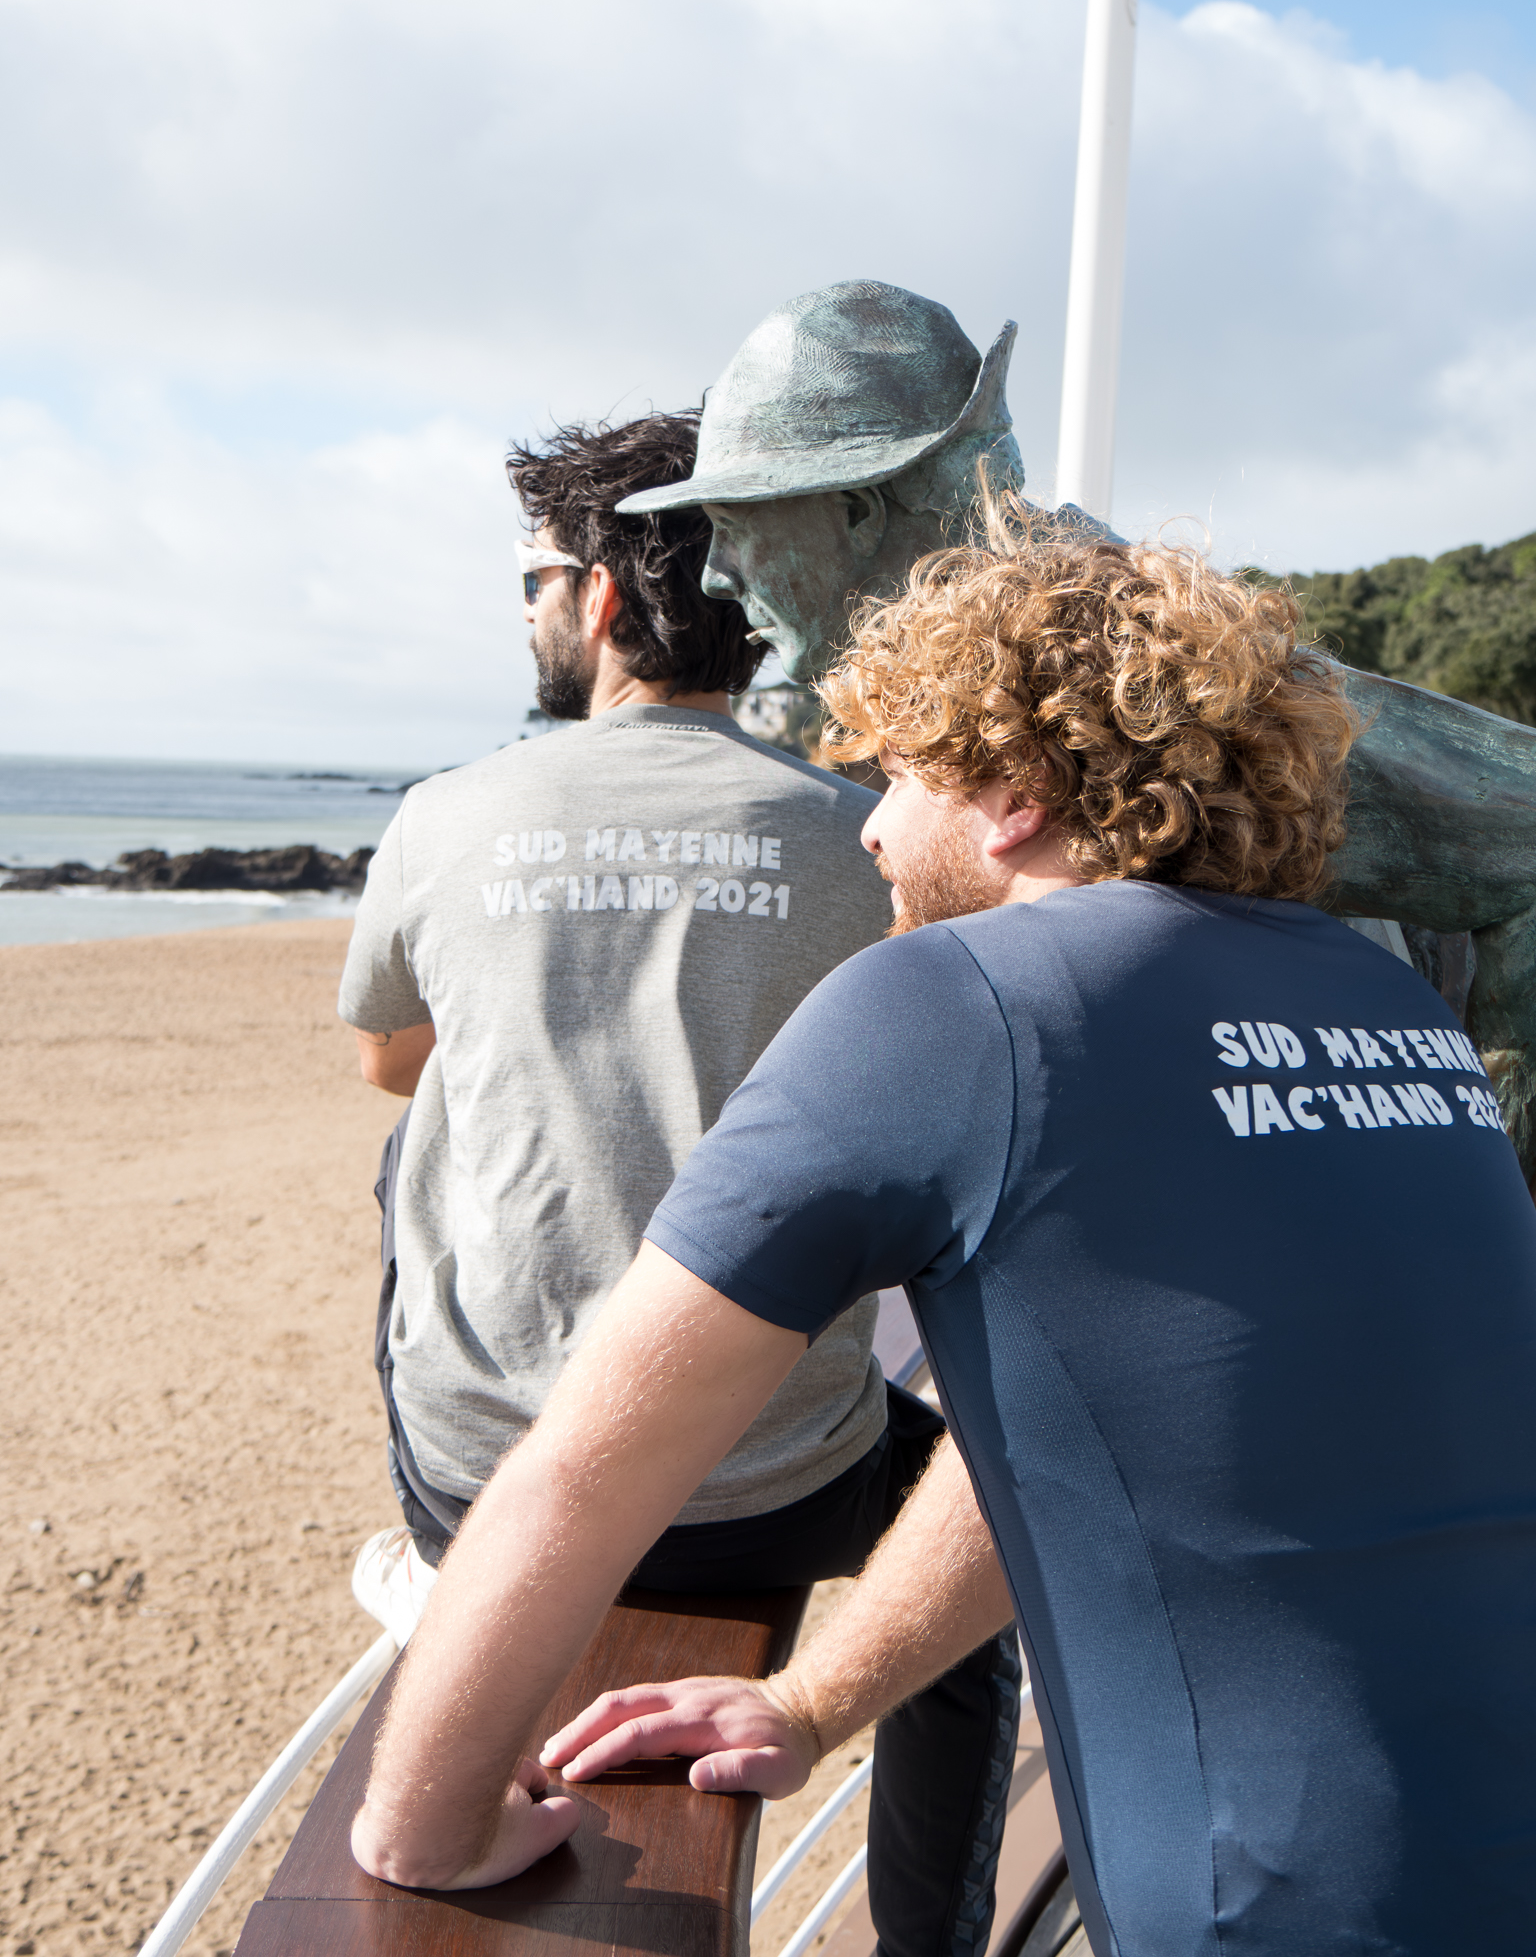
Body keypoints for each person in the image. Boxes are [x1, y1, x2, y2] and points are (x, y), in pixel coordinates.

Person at [351, 511, 1536, 1954]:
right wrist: (807, 1704)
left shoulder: (957, 999)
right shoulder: (1387, 1005)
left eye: (903, 773)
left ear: (1017, 794)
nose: (867, 825)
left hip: (1280, 1905)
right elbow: (1097, 1422)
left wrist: (424, 1822)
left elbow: (592, 1463)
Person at [337, 410, 1022, 1957]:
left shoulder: (447, 816)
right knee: (966, 1622)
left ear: (594, 601)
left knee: (419, 1140)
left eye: (532, 578)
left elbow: (389, 1059)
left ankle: (439, 1562)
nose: (525, 612)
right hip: (777, 1483)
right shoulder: (874, 837)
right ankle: (931, 1934)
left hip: (486, 1479)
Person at [620, 278, 1536, 1188]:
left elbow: (1521, 823)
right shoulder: (966, 698)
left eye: (736, 528)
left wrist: (1494, 1190)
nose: (716, 577)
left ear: (859, 513)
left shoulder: (1138, 674)